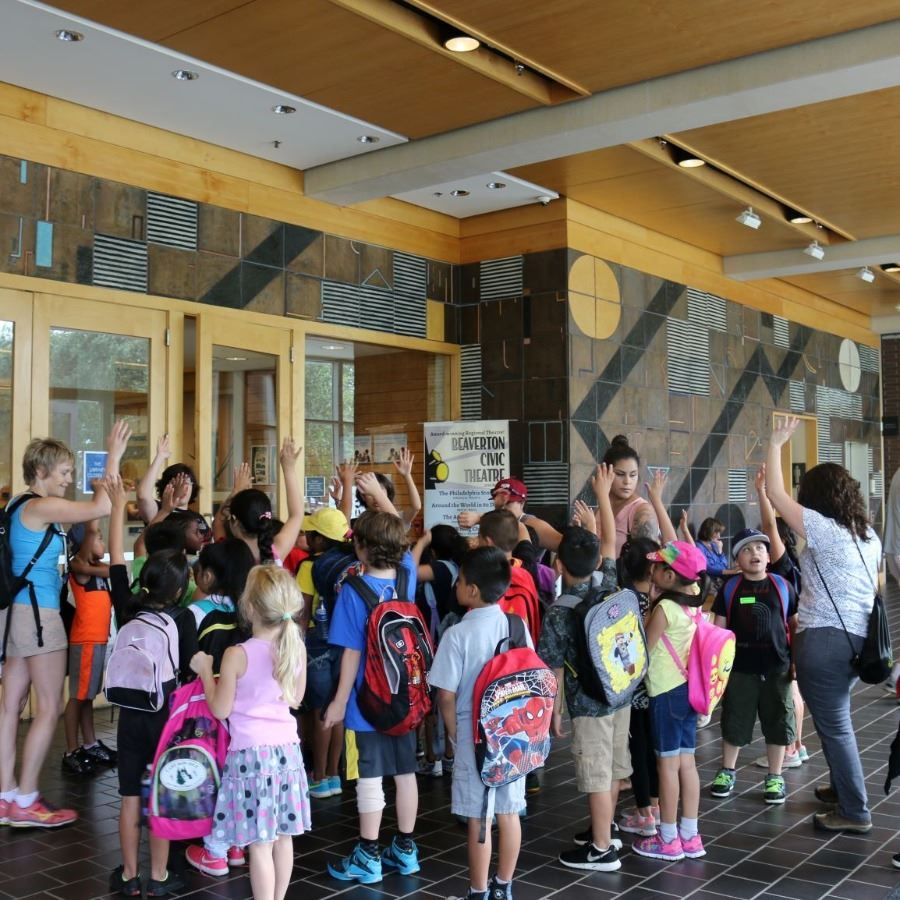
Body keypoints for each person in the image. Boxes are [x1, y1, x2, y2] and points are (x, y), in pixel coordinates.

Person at [0, 420, 130, 829]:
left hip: (15, 615)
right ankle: (25, 799)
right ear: (40, 472)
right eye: (64, 472)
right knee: (49, 707)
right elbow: (104, 508)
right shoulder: (39, 506)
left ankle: (6, 796)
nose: (69, 479)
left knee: (11, 707)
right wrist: (113, 456)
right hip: (39, 617)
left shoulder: (16, 505)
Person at [765, 416, 881, 834]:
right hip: (857, 640)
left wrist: (776, 442)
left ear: (814, 498)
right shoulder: (867, 534)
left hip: (825, 641)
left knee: (835, 726)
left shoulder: (826, 531)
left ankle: (854, 810)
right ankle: (841, 790)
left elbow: (776, 495)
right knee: (838, 719)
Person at [190, 565, 310, 900]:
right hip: (288, 753)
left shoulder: (236, 655)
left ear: (250, 608)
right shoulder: (295, 647)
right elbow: (296, 699)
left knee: (260, 844)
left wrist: (204, 672)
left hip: (250, 758)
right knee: (283, 837)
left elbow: (220, 710)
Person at [105, 474, 197, 896]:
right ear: (179, 588)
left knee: (128, 797)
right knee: (159, 796)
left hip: (130, 716)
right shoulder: (182, 618)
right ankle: (158, 876)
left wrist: (116, 506)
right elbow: (193, 671)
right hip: (166, 717)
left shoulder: (128, 607)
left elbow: (116, 561)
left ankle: (127, 876)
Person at [324, 509, 421, 885]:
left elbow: (350, 654)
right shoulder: (407, 577)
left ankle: (368, 854)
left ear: (361, 550)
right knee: (405, 773)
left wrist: (337, 702)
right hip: (406, 697)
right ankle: (406, 849)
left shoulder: (353, 590)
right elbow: (408, 549)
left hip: (366, 703)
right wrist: (385, 502)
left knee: (369, 776)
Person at [540, 473, 628, 873]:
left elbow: (554, 666)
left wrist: (553, 711)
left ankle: (601, 849)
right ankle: (604, 827)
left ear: (558, 565)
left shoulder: (559, 609)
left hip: (588, 702)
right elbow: (610, 541)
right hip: (621, 691)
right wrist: (602, 499)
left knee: (594, 773)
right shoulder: (608, 582)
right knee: (610, 766)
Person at [430, 546, 525, 900]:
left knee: (479, 818)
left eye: (460, 580)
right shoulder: (516, 625)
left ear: (471, 590)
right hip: (514, 733)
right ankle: (504, 887)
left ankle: (478, 892)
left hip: (475, 736)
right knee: (509, 811)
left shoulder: (456, 634)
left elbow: (445, 695)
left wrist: (455, 736)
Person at [708, 528, 798, 805]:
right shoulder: (731, 589)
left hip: (777, 668)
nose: (754, 553)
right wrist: (717, 670)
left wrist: (796, 664)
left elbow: (794, 627)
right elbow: (719, 634)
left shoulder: (782, 586)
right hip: (740, 670)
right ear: (737, 560)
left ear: (768, 556)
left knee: (779, 722)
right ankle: (727, 770)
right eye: (746, 550)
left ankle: (775, 775)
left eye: (760, 548)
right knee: (735, 721)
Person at [632, 541, 708, 862]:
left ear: (668, 576)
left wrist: (648, 609)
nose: (652, 571)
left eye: (658, 567)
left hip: (665, 693)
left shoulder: (664, 609)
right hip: (690, 691)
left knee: (666, 765)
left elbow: (643, 649)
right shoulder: (693, 606)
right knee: (687, 763)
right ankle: (690, 835)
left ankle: (667, 838)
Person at [751, 466, 808, 770]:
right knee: (793, 692)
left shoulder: (781, 564)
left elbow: (769, 526)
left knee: (789, 694)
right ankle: (796, 744)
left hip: (786, 638)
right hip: (791, 636)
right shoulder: (789, 566)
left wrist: (762, 491)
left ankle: (789, 750)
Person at [296, 506, 352, 800]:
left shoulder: (308, 567)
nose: (306, 536)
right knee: (337, 708)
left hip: (318, 642)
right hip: (346, 643)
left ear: (320, 539)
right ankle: (333, 775)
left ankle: (317, 777)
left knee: (319, 709)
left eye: (311, 533)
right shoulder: (352, 561)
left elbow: (302, 613)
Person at [61, 518, 117, 777]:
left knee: (88, 697)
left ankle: (90, 744)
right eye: (98, 537)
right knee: (78, 697)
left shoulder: (94, 568)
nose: (102, 542)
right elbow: (109, 569)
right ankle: (71, 751)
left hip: (97, 641)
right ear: (85, 543)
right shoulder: (80, 567)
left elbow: (113, 570)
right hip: (84, 641)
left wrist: (105, 569)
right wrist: (94, 513)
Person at [228, 438, 304, 565]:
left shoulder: (224, 558)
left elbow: (218, 523)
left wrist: (236, 491)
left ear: (234, 522)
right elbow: (297, 514)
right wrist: (288, 468)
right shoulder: (275, 553)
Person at [477, 509, 540, 645]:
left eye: (479, 537)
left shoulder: (476, 577)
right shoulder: (528, 570)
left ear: (487, 542)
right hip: (523, 659)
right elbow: (523, 533)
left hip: (489, 662)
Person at [457, 478, 561, 552]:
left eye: (508, 503)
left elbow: (566, 548)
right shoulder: (496, 522)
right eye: (499, 503)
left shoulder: (533, 524)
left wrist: (550, 577)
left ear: (522, 503)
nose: (502, 508)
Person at [600, 436, 658, 557]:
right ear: (605, 471)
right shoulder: (601, 505)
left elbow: (647, 566)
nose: (627, 481)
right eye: (620, 474)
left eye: (633, 475)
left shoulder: (642, 511)